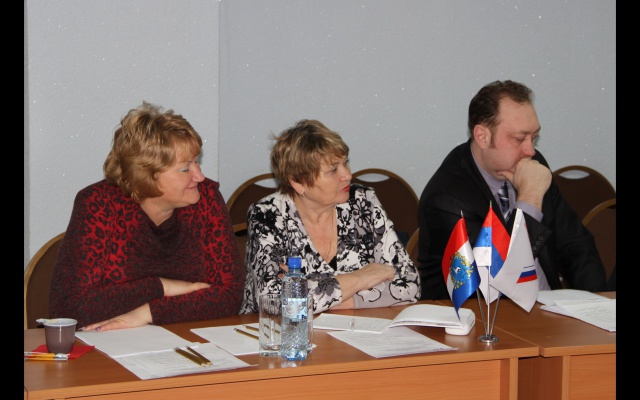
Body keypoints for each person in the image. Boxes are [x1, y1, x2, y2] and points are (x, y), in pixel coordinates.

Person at [49, 101, 245, 331]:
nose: (199, 176)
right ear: (146, 175)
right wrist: (161, 287)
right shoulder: (99, 203)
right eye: (185, 168)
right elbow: (69, 310)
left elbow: (230, 296)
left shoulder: (206, 198)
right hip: (110, 345)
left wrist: (148, 313)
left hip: (186, 340)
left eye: (196, 162)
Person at [417, 80, 608, 300]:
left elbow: (576, 246)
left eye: (534, 138)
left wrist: (596, 304)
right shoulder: (446, 198)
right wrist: (530, 198)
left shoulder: (533, 165)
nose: (530, 150)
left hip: (547, 307)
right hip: (485, 314)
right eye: (519, 139)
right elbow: (497, 281)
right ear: (482, 136)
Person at [239, 119, 421, 314]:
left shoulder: (363, 202)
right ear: (298, 182)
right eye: (333, 170)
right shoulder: (267, 215)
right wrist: (361, 278)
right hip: (280, 332)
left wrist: (324, 297)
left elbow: (411, 283)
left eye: (345, 163)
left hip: (354, 328)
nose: (347, 175)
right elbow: (273, 301)